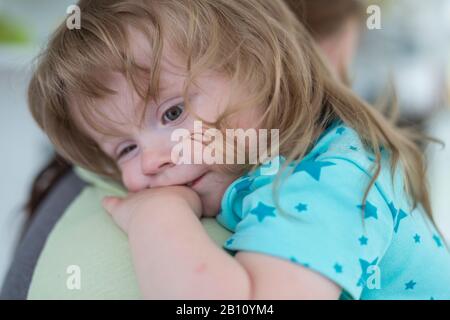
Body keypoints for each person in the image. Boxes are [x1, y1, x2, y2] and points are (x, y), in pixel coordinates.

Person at [26, 0, 450, 299]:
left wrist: (156, 218)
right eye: (125, 149)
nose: (153, 161)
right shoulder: (266, 164)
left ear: (262, 66)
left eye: (173, 113)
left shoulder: (329, 180)